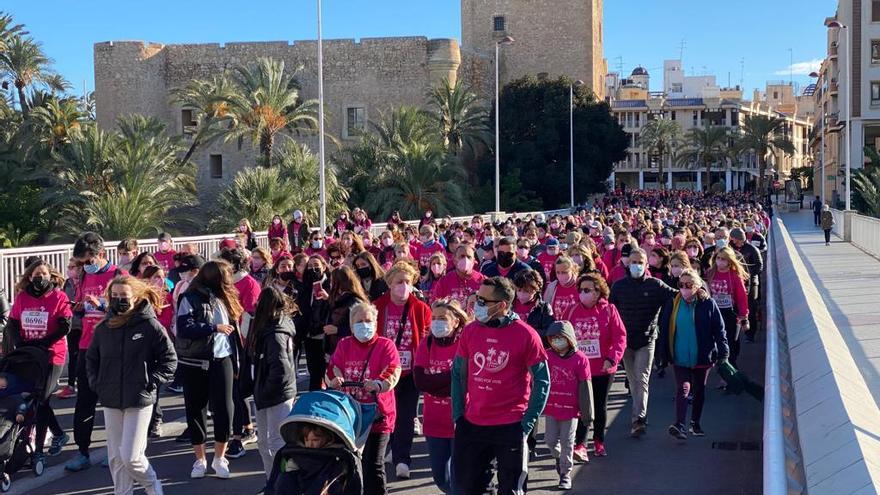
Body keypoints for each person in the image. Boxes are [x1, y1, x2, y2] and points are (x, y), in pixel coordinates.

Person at [451, 277, 550, 495]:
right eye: (477, 298)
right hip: (473, 424)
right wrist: (458, 415)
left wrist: (528, 422)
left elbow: (542, 381)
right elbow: (458, 374)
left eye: (483, 301)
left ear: (502, 305)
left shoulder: (527, 335)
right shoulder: (470, 331)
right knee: (468, 488)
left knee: (512, 489)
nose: (477, 304)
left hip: (511, 425)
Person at [86, 275, 176, 495]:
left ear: (135, 297)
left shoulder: (150, 325)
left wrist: (151, 381)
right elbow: (91, 359)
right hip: (110, 397)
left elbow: (170, 360)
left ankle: (152, 485)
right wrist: (97, 384)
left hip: (139, 398)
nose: (119, 300)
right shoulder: (103, 327)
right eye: (114, 295)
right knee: (116, 458)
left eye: (124, 295)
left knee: (131, 456)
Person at [176, 260, 244, 480]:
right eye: (225, 277)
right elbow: (184, 327)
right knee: (196, 408)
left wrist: (238, 361)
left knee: (225, 407)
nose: (229, 280)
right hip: (195, 360)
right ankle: (200, 459)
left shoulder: (226, 297)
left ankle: (219, 457)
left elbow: (235, 333)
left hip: (223, 358)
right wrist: (213, 328)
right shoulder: (189, 297)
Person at [327, 301, 401, 495]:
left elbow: (393, 370)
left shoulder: (385, 345)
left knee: (373, 464)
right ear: (351, 325)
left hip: (378, 415)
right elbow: (333, 368)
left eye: (368, 321)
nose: (364, 325)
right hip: (351, 416)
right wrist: (335, 379)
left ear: (376, 323)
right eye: (359, 321)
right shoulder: (344, 344)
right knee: (351, 464)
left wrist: (378, 384)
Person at [66, 232, 123, 472]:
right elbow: (81, 308)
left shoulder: (119, 276)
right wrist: (78, 308)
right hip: (87, 346)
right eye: (81, 263)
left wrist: (102, 304)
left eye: (88, 261)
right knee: (84, 401)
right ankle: (82, 452)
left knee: (114, 403)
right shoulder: (83, 277)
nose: (85, 266)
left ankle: (116, 451)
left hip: (113, 348)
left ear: (101, 254)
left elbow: (128, 310)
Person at [6, 260, 73, 462]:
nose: (40, 277)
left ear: (51, 276)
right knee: (34, 397)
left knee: (42, 399)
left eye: (44, 274)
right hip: (29, 353)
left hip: (52, 354)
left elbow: (65, 326)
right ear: (29, 277)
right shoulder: (22, 297)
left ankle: (39, 452)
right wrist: (20, 343)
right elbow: (12, 324)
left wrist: (44, 342)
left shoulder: (59, 297)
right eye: (36, 274)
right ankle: (58, 434)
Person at [608, 247, 677, 438]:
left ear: (646, 265)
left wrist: (697, 289)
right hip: (626, 342)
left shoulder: (655, 285)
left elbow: (677, 295)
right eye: (633, 262)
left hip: (647, 340)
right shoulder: (619, 286)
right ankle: (637, 414)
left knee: (642, 379)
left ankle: (638, 419)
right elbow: (610, 311)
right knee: (633, 380)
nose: (636, 265)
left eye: (640, 262)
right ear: (627, 264)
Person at [374, 262, 431, 479]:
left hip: (409, 372)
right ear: (390, 283)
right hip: (384, 371)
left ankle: (402, 460)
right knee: (388, 414)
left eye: (407, 282)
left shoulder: (420, 308)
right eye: (399, 282)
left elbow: (426, 338)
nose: (404, 286)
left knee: (406, 416)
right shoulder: (378, 306)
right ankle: (393, 447)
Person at [658, 269, 729, 439]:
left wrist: (723, 353)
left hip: (702, 356)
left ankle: (695, 423)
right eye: (681, 284)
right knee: (683, 388)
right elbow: (664, 329)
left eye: (688, 285)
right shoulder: (673, 304)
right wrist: (663, 355)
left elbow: (719, 330)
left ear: (697, 286)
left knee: (699, 390)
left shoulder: (708, 304)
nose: (684, 288)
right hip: (679, 356)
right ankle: (680, 424)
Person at [564, 272, 626, 460]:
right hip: (579, 368)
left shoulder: (609, 310)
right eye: (581, 290)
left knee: (599, 405)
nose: (583, 293)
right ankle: (580, 443)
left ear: (598, 292)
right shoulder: (571, 310)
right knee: (581, 405)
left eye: (588, 290)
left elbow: (620, 337)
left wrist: (612, 358)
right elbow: (563, 336)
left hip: (603, 367)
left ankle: (599, 441)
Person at [413, 298, 468, 495]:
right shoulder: (426, 343)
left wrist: (437, 382)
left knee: (461, 476)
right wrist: (451, 378)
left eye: (443, 318)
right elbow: (421, 381)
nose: (437, 322)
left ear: (456, 321)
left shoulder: (464, 344)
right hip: (434, 421)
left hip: (461, 420)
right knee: (441, 478)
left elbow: (465, 379)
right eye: (434, 318)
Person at [248, 287, 297, 481]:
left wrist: (264, 390)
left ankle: (282, 482)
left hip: (275, 393)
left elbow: (280, 370)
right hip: (269, 391)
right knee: (264, 441)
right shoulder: (274, 327)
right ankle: (272, 480)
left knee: (276, 442)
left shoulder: (275, 333)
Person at [219, 248, 261, 459]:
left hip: (242, 342)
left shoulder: (249, 283)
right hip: (226, 338)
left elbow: (250, 315)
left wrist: (244, 341)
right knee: (234, 388)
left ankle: (247, 429)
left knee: (239, 387)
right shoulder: (225, 283)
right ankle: (246, 425)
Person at [542, 321, 593, 490]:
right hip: (552, 407)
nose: (556, 341)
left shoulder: (580, 359)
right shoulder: (547, 356)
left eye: (560, 337)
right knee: (550, 440)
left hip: (571, 410)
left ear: (569, 338)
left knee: (567, 442)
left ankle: (565, 473)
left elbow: (585, 388)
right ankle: (559, 458)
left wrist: (587, 414)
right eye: (553, 338)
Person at [705, 247, 749, 369]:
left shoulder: (734, 275)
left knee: (731, 340)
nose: (720, 261)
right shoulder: (710, 273)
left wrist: (744, 315)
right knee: (715, 338)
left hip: (730, 313)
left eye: (723, 259)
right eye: (718, 258)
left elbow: (741, 297)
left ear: (729, 261)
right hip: (714, 311)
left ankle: (731, 364)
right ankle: (719, 361)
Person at [322, 266, 369, 356]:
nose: (330, 284)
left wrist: (338, 330)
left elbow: (363, 328)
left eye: (332, 281)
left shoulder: (355, 302)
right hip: (336, 347)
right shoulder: (338, 299)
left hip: (349, 349)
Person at [729, 228, 763, 342]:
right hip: (735, 281)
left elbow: (759, 266)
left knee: (751, 308)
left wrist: (747, 274)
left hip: (751, 282)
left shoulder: (752, 249)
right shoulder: (730, 248)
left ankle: (750, 334)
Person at [58, 258, 83, 399]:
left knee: (86, 356)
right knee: (73, 355)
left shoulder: (86, 281)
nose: (70, 269)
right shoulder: (67, 283)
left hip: (86, 325)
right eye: (69, 267)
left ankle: (87, 384)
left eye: (73, 267)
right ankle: (71, 385)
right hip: (72, 324)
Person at [432, 245, 484, 311]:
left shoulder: (481, 280)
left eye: (469, 257)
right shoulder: (444, 281)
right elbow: (435, 305)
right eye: (462, 256)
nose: (465, 260)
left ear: (473, 261)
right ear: (455, 260)